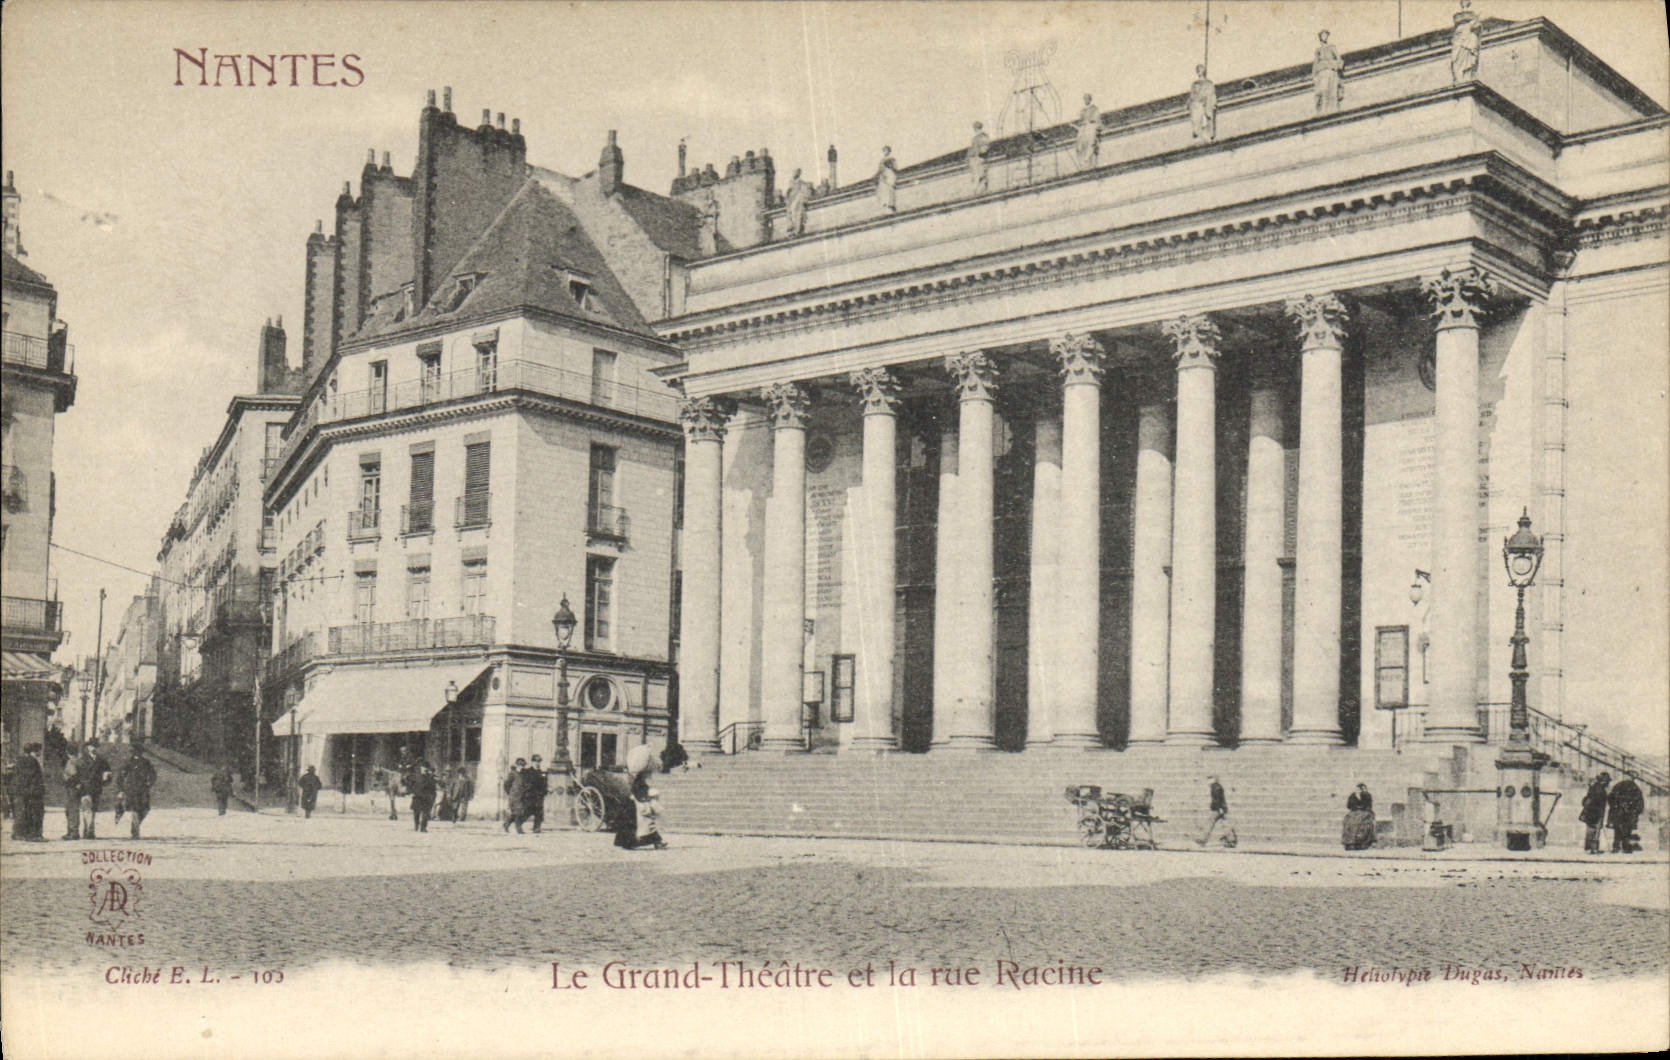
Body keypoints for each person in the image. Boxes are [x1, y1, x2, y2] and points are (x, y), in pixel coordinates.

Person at [614, 744, 667, 851]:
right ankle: (656, 842)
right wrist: (648, 795)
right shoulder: (639, 781)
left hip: (636, 803)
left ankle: (631, 842)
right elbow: (640, 792)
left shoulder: (635, 779)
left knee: (643, 825)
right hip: (639, 805)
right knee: (646, 825)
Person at [67, 740, 111, 840]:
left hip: (97, 788)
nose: (94, 748)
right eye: (92, 746)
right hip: (85, 788)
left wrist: (106, 777)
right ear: (88, 747)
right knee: (87, 809)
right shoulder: (82, 760)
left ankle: (87, 830)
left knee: (93, 810)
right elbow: (76, 773)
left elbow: (108, 772)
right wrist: (78, 784)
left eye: (96, 746)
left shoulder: (102, 761)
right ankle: (90, 832)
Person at [10, 742, 46, 840]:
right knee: (34, 812)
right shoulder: (32, 761)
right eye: (39, 750)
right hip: (31, 791)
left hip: (20, 790)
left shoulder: (20, 760)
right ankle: (33, 835)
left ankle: (19, 833)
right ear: (33, 751)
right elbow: (33, 778)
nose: (40, 753)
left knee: (20, 812)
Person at [1195, 776, 1237, 848]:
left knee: (1210, 823)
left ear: (1213, 780)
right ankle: (1231, 840)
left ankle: (1203, 839)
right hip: (1221, 808)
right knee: (1225, 824)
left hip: (1217, 809)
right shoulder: (1217, 786)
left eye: (1209, 779)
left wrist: (1219, 808)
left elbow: (1217, 799)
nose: (1208, 781)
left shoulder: (1215, 787)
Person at [1608, 774, 1646, 854]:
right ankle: (1625, 847)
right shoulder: (1635, 788)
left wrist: (1614, 807)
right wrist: (1636, 811)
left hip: (1618, 813)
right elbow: (1640, 802)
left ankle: (1616, 847)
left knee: (1618, 830)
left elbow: (1610, 798)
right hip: (1630, 814)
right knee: (1627, 830)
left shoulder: (1618, 786)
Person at [1312, 30, 1344, 114]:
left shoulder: (1332, 47)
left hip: (1331, 70)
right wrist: (1314, 76)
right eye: (1323, 35)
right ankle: (1323, 109)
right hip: (1322, 71)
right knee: (1323, 90)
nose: (1324, 37)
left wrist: (1338, 66)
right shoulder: (1318, 50)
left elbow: (1339, 59)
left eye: (1326, 35)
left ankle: (1333, 109)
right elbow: (1315, 63)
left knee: (1332, 91)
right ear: (1320, 38)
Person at [1579, 772, 1611, 854]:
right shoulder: (1600, 790)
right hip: (1596, 813)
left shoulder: (1593, 787)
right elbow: (1599, 804)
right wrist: (1600, 816)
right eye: (1607, 781)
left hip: (1590, 812)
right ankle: (1594, 849)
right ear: (1604, 781)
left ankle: (1588, 848)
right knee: (1595, 831)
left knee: (1590, 830)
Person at [1450, 0, 1481, 84]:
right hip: (1459, 42)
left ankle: (1467, 75)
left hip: (1468, 41)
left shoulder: (1472, 34)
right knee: (1456, 59)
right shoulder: (1458, 29)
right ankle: (1459, 77)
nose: (1464, 3)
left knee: (1470, 58)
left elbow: (1477, 27)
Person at [1188, 64, 1218, 141]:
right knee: (1198, 119)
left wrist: (1212, 103)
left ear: (1203, 71)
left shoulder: (1208, 83)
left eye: (1200, 70)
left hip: (1206, 105)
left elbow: (1211, 94)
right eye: (1198, 71)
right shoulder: (1195, 84)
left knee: (1206, 118)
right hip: (1198, 106)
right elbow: (1192, 96)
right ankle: (1198, 132)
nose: (1199, 72)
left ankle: (1207, 132)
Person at [1342, 783, 1376, 850]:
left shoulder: (1367, 796)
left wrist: (1361, 805)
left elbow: (1368, 805)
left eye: (1360, 789)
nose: (1358, 791)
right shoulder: (1352, 796)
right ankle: (1349, 842)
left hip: (1364, 812)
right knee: (1349, 821)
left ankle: (1361, 842)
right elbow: (1348, 806)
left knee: (1361, 822)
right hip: (1354, 812)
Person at [1073, 93, 1100, 170]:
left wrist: (1090, 121)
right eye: (1085, 99)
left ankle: (1087, 159)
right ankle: (1083, 160)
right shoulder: (1083, 110)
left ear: (1090, 99)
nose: (1086, 100)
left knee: (1090, 140)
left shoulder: (1094, 108)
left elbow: (1096, 118)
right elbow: (1081, 120)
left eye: (1087, 98)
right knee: (1081, 143)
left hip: (1090, 126)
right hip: (1084, 128)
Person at [524, 755, 550, 833]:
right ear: (532, 762)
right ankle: (510, 823)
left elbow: (544, 783)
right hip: (531, 795)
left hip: (539, 795)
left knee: (539, 812)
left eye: (539, 762)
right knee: (527, 812)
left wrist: (546, 790)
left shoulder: (541, 772)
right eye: (536, 762)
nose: (537, 763)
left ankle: (536, 828)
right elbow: (526, 783)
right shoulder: (528, 772)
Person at [409, 763, 438, 833]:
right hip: (417, 796)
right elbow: (410, 784)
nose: (425, 770)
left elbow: (433, 787)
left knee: (426, 813)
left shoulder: (431, 777)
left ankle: (423, 827)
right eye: (423, 768)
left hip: (426, 797)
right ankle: (416, 825)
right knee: (416, 813)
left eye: (426, 769)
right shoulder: (416, 776)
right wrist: (412, 790)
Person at [784, 168, 813, 237]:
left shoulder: (802, 184)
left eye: (796, 173)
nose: (794, 174)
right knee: (792, 215)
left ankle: (797, 230)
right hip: (792, 203)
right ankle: (792, 230)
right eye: (794, 172)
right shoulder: (791, 185)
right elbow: (788, 196)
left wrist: (804, 200)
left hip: (798, 202)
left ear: (799, 174)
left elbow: (805, 194)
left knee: (798, 215)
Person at [503, 757, 529, 833]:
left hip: (521, 796)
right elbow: (506, 784)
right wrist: (510, 793)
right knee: (518, 812)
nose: (521, 767)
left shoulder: (523, 774)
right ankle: (519, 828)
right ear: (517, 765)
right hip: (514, 796)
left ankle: (506, 824)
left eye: (523, 765)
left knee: (518, 812)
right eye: (520, 765)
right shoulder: (512, 774)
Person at [966, 120, 991, 193]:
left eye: (976, 128)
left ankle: (981, 189)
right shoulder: (975, 138)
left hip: (979, 159)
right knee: (976, 175)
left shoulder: (983, 136)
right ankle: (977, 189)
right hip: (975, 159)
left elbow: (984, 148)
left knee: (981, 175)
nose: (975, 129)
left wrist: (981, 152)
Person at [874, 146, 898, 212]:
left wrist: (890, 165)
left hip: (890, 174)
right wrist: (877, 175)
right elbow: (880, 169)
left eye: (886, 150)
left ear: (889, 151)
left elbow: (895, 168)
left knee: (890, 188)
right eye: (884, 151)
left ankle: (891, 204)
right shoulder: (882, 160)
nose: (885, 152)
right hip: (884, 176)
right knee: (883, 188)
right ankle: (885, 203)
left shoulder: (892, 159)